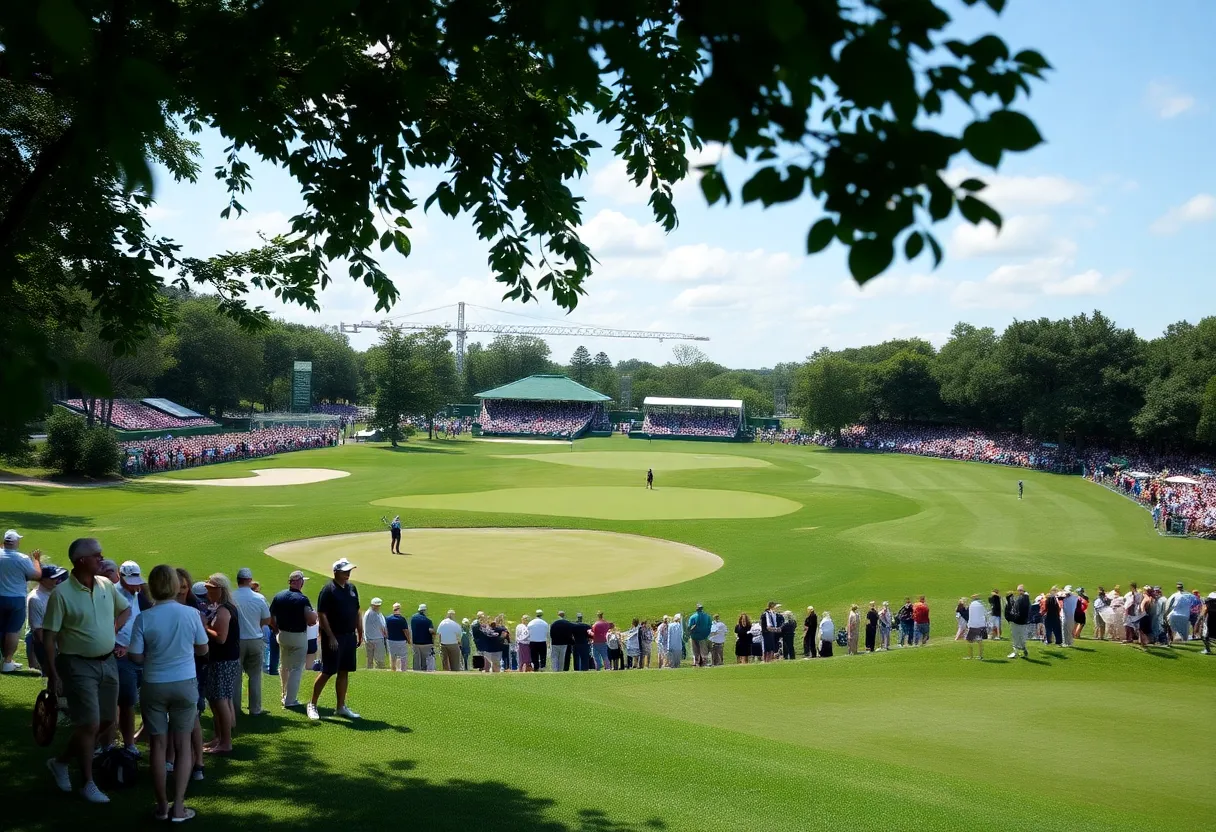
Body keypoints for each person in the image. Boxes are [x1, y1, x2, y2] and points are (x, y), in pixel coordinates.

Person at [42, 538, 131, 803]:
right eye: (97, 556)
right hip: (77, 664)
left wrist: (111, 630)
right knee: (90, 723)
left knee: (106, 722)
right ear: (82, 561)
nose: (102, 559)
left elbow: (124, 610)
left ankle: (60, 762)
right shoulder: (61, 594)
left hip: (108, 662)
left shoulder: (105, 584)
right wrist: (53, 674)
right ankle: (88, 783)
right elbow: (49, 637)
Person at [128, 565, 208, 822]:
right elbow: (203, 649)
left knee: (158, 745)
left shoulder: (144, 617)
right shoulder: (191, 614)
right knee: (183, 744)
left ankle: (162, 805)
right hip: (184, 682)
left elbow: (136, 656)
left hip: (154, 683)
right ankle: (179, 806)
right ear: (175, 586)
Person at [308, 558, 362, 721]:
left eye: (349, 571)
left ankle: (340, 707)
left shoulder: (352, 588)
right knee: (328, 671)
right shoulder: (328, 590)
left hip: (348, 635)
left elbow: (357, 611)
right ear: (336, 572)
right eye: (345, 571)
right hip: (334, 636)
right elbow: (322, 615)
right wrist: (330, 636)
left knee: (344, 670)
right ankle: (312, 704)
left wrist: (360, 631)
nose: (348, 574)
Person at [201, 574, 239, 753]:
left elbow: (221, 638)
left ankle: (225, 742)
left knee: (220, 699)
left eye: (211, 589)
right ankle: (219, 738)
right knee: (216, 699)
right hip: (223, 659)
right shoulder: (223, 608)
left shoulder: (224, 610)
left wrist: (204, 626)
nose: (207, 592)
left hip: (223, 660)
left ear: (220, 590)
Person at [269, 570, 317, 707]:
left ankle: (284, 694)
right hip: (298, 637)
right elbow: (311, 620)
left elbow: (271, 618)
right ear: (299, 582)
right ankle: (290, 700)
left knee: (284, 665)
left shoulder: (279, 596)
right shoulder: (302, 599)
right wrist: (314, 616)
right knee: (296, 668)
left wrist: (276, 629)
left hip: (283, 635)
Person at [113, 561, 146, 755]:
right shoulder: (113, 595)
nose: (136, 586)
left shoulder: (135, 593)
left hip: (136, 653)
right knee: (126, 702)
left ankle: (128, 741)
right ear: (121, 576)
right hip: (119, 654)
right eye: (131, 582)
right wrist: (120, 645)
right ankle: (125, 743)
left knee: (130, 701)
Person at [1, 528, 42, 672]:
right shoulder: (22, 558)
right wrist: (36, 560)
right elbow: (36, 575)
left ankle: (3, 659)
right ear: (16, 542)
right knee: (12, 630)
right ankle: (7, 662)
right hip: (16, 599)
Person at [232, 567, 271, 716]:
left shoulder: (231, 597)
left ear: (238, 580)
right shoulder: (258, 598)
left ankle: (235, 709)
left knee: (236, 677)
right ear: (249, 580)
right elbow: (267, 619)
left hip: (237, 641)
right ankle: (255, 709)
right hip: (255, 639)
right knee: (255, 675)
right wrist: (257, 625)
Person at [25, 564, 68, 675]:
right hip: (44, 645)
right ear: (42, 580)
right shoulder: (35, 599)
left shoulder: (55, 593)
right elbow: (38, 631)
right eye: (54, 578)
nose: (58, 580)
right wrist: (54, 649)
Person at [1004, 584, 1031, 659]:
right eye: (1018, 590)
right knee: (1019, 637)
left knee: (1018, 638)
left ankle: (1019, 650)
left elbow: (1017, 611)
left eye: (1019, 590)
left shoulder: (1022, 599)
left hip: (1019, 622)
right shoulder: (1024, 599)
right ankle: (1020, 650)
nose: (1018, 592)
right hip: (1021, 622)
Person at [363, 598, 388, 669]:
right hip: (376, 639)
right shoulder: (373, 614)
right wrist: (385, 634)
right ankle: (377, 671)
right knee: (379, 660)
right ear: (372, 605)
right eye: (376, 606)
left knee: (370, 660)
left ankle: (371, 671)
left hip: (370, 639)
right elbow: (382, 626)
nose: (378, 607)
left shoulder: (370, 613)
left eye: (379, 606)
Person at [385, 602, 410, 671]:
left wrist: (387, 636)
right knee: (403, 657)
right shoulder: (402, 619)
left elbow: (384, 629)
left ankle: (393, 670)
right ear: (399, 609)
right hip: (401, 641)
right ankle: (403, 670)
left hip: (390, 641)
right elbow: (406, 631)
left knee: (392, 657)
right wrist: (409, 640)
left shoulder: (387, 618)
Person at [410, 603, 435, 671]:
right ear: (424, 611)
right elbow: (431, 631)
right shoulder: (428, 621)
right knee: (425, 660)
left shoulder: (413, 619)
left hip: (415, 642)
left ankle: (416, 672)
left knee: (416, 659)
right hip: (426, 643)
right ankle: (424, 672)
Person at [686, 603, 712, 667]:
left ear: (696, 609)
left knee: (695, 650)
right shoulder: (707, 616)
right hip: (703, 636)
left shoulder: (693, 617)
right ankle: (704, 662)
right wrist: (707, 633)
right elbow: (710, 626)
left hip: (694, 636)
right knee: (703, 650)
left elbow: (689, 627)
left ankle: (696, 662)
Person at [965, 594, 987, 660]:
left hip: (973, 625)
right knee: (979, 641)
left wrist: (968, 624)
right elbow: (985, 613)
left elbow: (970, 615)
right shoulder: (981, 605)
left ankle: (970, 656)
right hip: (981, 625)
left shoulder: (971, 605)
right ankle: (980, 656)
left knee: (969, 640)